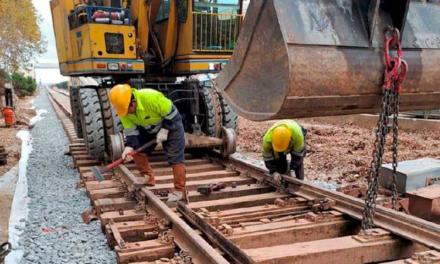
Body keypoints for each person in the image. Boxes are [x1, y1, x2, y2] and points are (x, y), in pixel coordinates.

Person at [109, 84, 186, 204]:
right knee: (138, 151)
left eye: (127, 110)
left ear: (133, 103)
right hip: (149, 128)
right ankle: (147, 177)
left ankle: (179, 191)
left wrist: (165, 129)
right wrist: (129, 147)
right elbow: (131, 132)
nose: (125, 113)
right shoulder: (124, 112)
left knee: (175, 158)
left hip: (172, 125)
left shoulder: (150, 97)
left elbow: (173, 114)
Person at [262, 120, 307, 184]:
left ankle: (299, 181)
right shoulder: (267, 140)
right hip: (283, 140)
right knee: (281, 168)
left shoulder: (298, 136)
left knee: (298, 164)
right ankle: (283, 175)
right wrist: (273, 171)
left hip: (295, 132)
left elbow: (298, 155)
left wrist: (292, 169)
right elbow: (267, 158)